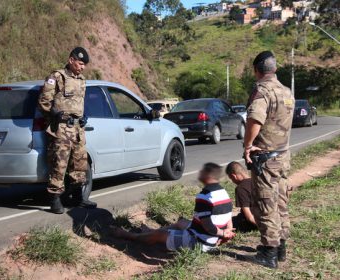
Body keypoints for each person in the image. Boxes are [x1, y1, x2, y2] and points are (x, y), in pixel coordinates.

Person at [243, 51, 294, 268]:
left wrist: (247, 145)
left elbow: (255, 119)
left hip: (265, 158)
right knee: (281, 200)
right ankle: (281, 246)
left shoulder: (262, 91)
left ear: (257, 70)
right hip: (282, 155)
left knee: (266, 202)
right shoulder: (286, 91)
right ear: (274, 69)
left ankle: (269, 252)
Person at [113, 163, 236, 252]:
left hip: (199, 241)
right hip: (209, 236)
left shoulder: (204, 196)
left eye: (202, 171)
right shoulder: (223, 192)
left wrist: (222, 233)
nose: (200, 173)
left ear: (207, 176)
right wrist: (227, 231)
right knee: (181, 222)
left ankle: (128, 235)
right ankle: (151, 231)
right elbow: (228, 215)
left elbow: (208, 226)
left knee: (157, 236)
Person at [38, 47, 97, 214]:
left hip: (78, 128)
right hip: (61, 128)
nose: (82, 67)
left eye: (84, 64)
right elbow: (44, 102)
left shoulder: (82, 80)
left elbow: (78, 103)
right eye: (80, 63)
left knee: (80, 163)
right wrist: (53, 113)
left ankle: (79, 197)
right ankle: (54, 199)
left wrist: (83, 116)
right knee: (59, 164)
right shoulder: (57, 77)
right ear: (71, 60)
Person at [226, 161, 257, 232]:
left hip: (251, 224)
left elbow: (249, 217)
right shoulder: (258, 181)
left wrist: (263, 228)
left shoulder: (241, 188)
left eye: (231, 179)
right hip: (269, 220)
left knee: (224, 224)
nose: (232, 181)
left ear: (234, 176)